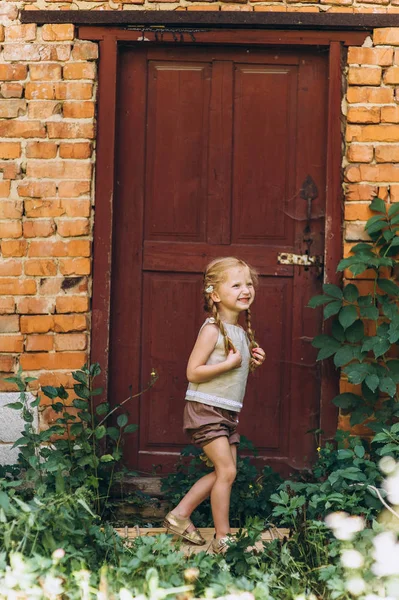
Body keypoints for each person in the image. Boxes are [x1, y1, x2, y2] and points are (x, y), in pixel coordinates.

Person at [163, 256, 266, 554]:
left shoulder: (241, 332)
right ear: (216, 294)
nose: (245, 289)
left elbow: (233, 373)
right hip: (205, 409)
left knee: (226, 471)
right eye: (236, 285)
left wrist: (252, 361)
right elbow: (192, 372)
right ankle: (223, 537)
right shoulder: (211, 330)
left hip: (225, 411)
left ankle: (180, 515)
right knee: (228, 472)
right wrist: (230, 363)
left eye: (248, 284)